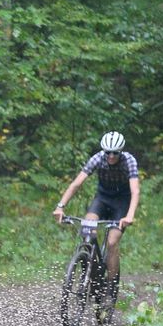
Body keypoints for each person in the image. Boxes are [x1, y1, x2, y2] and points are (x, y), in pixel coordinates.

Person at [52, 130, 140, 303]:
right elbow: (76, 184)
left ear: (121, 152)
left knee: (112, 242)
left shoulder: (129, 160)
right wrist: (60, 207)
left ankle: (110, 284)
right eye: (108, 152)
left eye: (115, 153)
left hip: (121, 202)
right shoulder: (98, 158)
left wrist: (129, 216)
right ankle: (88, 267)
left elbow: (135, 190)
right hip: (102, 199)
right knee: (88, 230)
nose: (111, 156)